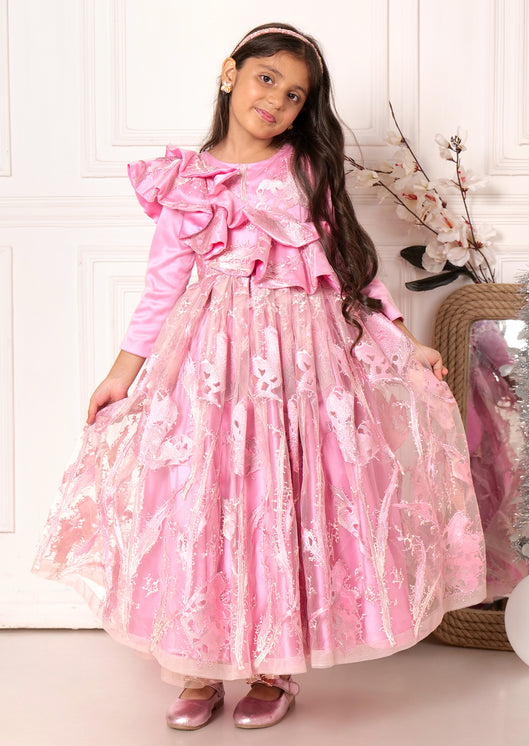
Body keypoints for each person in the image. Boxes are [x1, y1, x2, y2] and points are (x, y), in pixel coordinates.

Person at [32, 22, 486, 731]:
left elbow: (348, 267)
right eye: (265, 79)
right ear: (230, 74)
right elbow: (161, 287)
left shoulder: (303, 171)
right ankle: (199, 665)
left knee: (286, 493)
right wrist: (121, 374)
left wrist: (403, 344)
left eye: (294, 94)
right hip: (211, 363)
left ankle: (273, 666)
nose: (274, 100)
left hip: (299, 364)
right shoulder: (185, 178)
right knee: (202, 496)